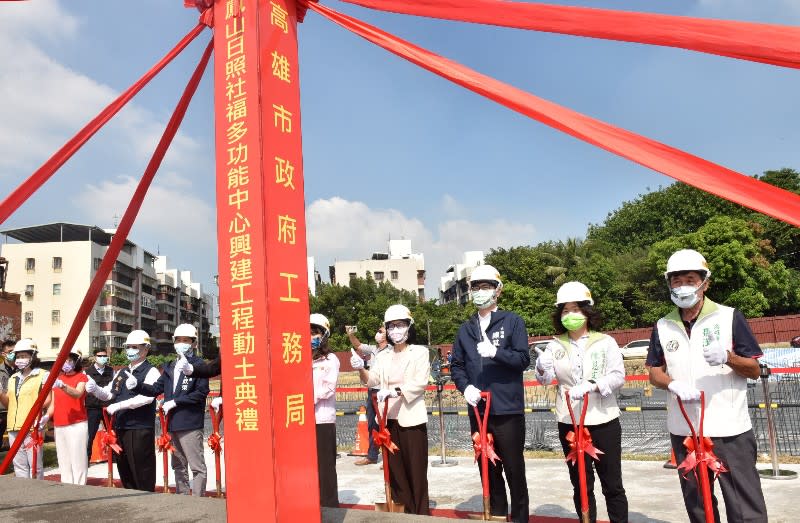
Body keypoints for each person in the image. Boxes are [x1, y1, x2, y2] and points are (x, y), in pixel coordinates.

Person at [647, 249, 768, 523]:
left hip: (728, 428)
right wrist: (673, 383)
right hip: (684, 429)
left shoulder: (729, 317)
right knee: (698, 504)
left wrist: (728, 357)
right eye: (676, 281)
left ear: (705, 282)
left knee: (744, 505)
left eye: (689, 278)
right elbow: (654, 372)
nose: (682, 285)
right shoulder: (663, 325)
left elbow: (754, 369)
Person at [535, 281, 628, 523]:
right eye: (565, 310)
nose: (570, 315)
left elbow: (618, 376)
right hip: (569, 422)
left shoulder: (604, 342)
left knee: (612, 484)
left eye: (575, 309)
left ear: (587, 312)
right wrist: (541, 367)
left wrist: (594, 385)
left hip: (603, 419)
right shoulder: (555, 345)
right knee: (581, 483)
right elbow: (545, 380)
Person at [450, 264, 530, 523]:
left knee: (513, 470)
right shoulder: (466, 329)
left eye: (486, 287)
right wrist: (466, 387)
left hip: (507, 409)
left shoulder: (512, 321)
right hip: (478, 409)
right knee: (489, 469)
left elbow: (522, 359)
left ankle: (519, 518)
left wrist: (497, 353)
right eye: (476, 287)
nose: (480, 292)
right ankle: (496, 515)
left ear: (498, 291)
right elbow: (457, 366)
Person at [350, 304, 431, 515]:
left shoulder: (420, 352)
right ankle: (403, 514)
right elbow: (372, 380)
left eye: (400, 325)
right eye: (391, 326)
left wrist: (395, 392)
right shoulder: (383, 356)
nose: (396, 330)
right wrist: (361, 368)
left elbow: (419, 383)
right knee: (395, 472)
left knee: (416, 471)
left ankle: (420, 514)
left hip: (411, 420)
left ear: (409, 327)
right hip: (387, 420)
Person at [130, 323, 209, 496]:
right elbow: (155, 389)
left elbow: (201, 393)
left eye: (186, 340)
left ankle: (198, 501)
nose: (182, 343)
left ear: (194, 343)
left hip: (189, 423)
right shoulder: (170, 366)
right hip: (173, 423)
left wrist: (176, 402)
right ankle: (182, 499)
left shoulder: (199, 365)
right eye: (178, 340)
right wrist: (137, 386)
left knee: (196, 466)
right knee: (178, 465)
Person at [86, 329, 159, 492]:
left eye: (135, 347)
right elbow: (109, 394)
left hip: (139, 428)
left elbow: (147, 398)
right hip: (121, 427)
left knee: (141, 469)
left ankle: (147, 501)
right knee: (125, 469)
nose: (130, 350)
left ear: (146, 349)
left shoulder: (150, 371)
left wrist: (120, 406)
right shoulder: (121, 372)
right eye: (128, 347)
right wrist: (95, 389)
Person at [0, 338, 51, 479]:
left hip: (32, 426)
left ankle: (38, 494)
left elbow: (47, 400)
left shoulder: (42, 375)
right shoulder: (13, 378)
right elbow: (9, 404)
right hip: (13, 427)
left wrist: (39, 416)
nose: (20, 359)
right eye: (18, 356)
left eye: (24, 356)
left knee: (35, 465)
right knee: (19, 465)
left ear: (33, 357)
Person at [347, 324, 389, 466]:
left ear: (386, 335)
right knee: (372, 424)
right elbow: (358, 346)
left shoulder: (392, 350)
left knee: (387, 425)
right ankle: (372, 456)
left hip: (385, 391)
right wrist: (350, 334)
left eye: (380, 331)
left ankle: (389, 457)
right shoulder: (374, 349)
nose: (377, 333)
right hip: (372, 390)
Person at [46, 348, 89, 484]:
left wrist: (63, 386)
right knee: (63, 460)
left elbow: (78, 393)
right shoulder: (57, 379)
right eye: (63, 360)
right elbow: (54, 403)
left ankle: (79, 487)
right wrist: (46, 416)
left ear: (76, 361)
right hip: (59, 424)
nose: (65, 363)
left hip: (77, 423)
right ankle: (66, 485)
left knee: (78, 459)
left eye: (69, 360)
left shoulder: (81, 377)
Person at [311, 313, 340, 507]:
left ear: (324, 335)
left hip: (322, 420)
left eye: (315, 333)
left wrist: (308, 398)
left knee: (325, 467)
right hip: (301, 419)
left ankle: (329, 507)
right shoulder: (297, 358)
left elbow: (329, 388)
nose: (311, 337)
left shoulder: (331, 360)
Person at [85, 347, 114, 459]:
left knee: (112, 432)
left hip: (108, 407)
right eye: (100, 356)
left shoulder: (111, 371)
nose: (102, 358)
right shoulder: (87, 372)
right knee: (90, 434)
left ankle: (115, 458)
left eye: (104, 356)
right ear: (94, 357)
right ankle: (86, 458)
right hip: (93, 407)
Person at [0, 339, 17, 450]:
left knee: (17, 441)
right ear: (3, 354)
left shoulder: (21, 370)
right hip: (1, 413)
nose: (13, 354)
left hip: (16, 411)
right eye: (10, 351)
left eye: (15, 352)